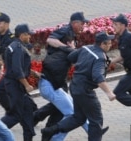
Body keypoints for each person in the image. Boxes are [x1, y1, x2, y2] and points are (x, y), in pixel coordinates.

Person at [41, 31, 116, 141]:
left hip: (75, 86)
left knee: (78, 118)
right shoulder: (100, 57)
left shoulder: (86, 48)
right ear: (102, 44)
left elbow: (71, 57)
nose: (111, 45)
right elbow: (98, 77)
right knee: (96, 120)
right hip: (85, 91)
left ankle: (51, 130)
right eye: (109, 43)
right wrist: (109, 93)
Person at [34, 12, 90, 141]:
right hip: (50, 82)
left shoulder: (72, 35)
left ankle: (93, 131)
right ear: (75, 23)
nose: (83, 26)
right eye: (82, 23)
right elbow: (50, 40)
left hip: (56, 82)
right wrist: (67, 48)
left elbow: (73, 57)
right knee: (72, 114)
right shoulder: (65, 30)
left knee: (72, 110)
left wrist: (73, 51)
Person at [1, 23, 37, 141]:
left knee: (29, 109)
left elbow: (18, 66)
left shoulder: (15, 45)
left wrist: (34, 73)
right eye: (28, 35)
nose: (30, 37)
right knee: (15, 115)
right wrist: (26, 85)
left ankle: (29, 135)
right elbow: (17, 70)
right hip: (16, 86)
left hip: (16, 85)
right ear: (22, 35)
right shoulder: (18, 48)